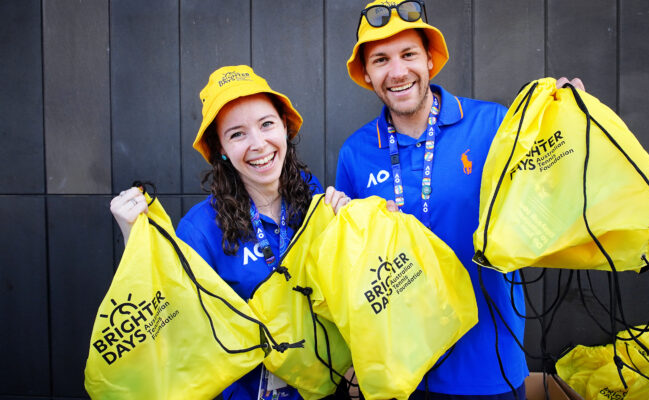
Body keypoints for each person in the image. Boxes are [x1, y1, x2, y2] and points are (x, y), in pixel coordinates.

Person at [335, 1, 583, 399]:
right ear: (366, 73)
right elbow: (353, 269)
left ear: (430, 61)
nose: (397, 71)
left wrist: (568, 128)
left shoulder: (493, 124)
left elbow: (549, 200)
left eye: (409, 54)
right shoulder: (355, 152)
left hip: (487, 364)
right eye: (381, 59)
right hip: (402, 373)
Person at [110, 65, 350, 400]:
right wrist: (131, 234)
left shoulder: (314, 202)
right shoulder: (200, 229)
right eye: (237, 134)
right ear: (221, 148)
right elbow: (175, 322)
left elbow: (346, 298)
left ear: (284, 126)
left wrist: (353, 227)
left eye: (266, 124)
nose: (258, 144)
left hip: (325, 390)